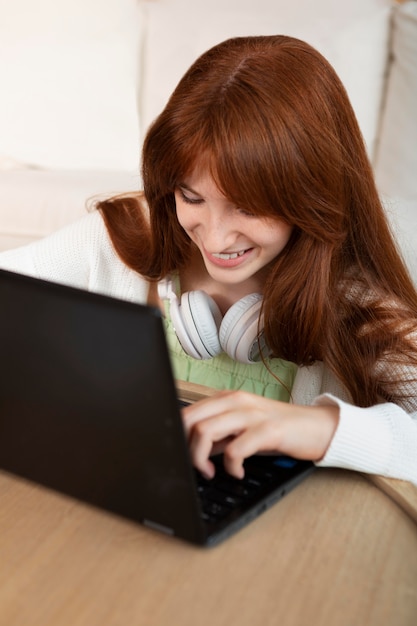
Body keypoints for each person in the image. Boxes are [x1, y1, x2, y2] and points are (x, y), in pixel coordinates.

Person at [1, 35, 416, 485]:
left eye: (248, 207)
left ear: (310, 197)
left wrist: (321, 428)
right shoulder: (125, 238)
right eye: (191, 196)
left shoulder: (361, 307)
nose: (214, 237)